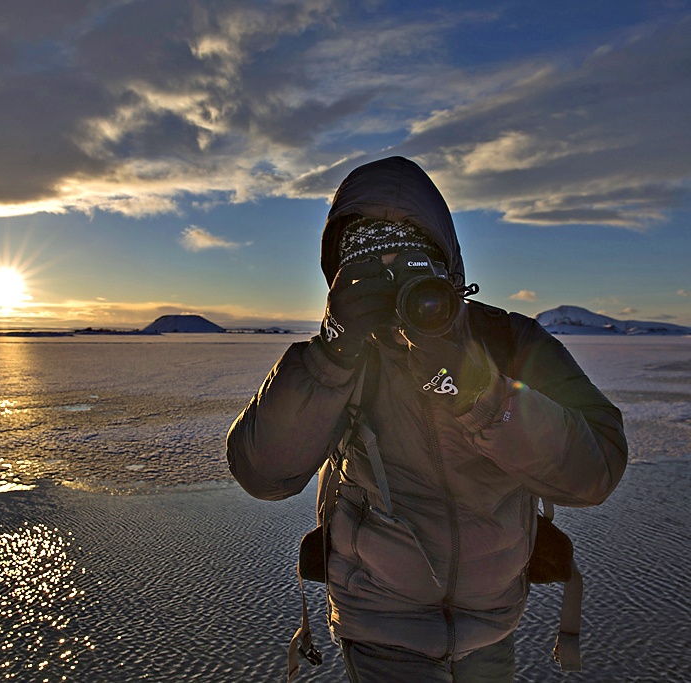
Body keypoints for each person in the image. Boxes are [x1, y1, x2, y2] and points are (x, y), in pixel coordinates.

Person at [226, 156, 627, 683]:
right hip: (380, 627)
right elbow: (263, 474)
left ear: (448, 271)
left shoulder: (508, 344)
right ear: (342, 282)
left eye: (412, 275)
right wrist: (332, 355)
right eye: (373, 276)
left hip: (491, 623)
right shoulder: (339, 359)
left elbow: (595, 468)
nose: (396, 298)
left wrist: (480, 391)